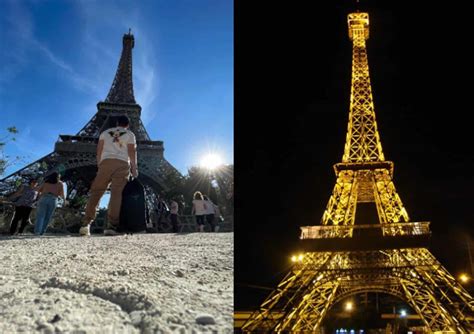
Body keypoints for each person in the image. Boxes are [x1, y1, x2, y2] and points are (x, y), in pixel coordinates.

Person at [79, 115, 138, 236]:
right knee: (117, 194)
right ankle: (112, 225)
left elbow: (99, 150)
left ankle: (86, 223)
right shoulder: (130, 134)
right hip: (122, 163)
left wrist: (100, 164)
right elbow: (132, 152)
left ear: (117, 123)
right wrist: (134, 168)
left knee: (96, 192)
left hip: (105, 162)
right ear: (127, 125)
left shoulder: (105, 133)